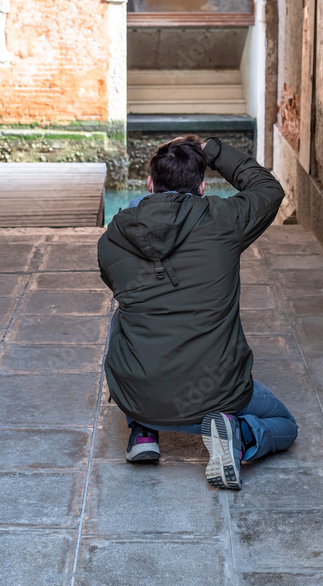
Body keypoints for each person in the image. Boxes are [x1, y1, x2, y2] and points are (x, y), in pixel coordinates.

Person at [97, 135, 298, 490]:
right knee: (285, 425)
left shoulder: (113, 238)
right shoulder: (223, 220)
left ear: (149, 185)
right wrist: (212, 149)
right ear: (202, 187)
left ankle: (144, 432)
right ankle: (239, 434)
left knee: (125, 316)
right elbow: (268, 189)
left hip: (138, 395)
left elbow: (123, 283)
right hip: (217, 394)